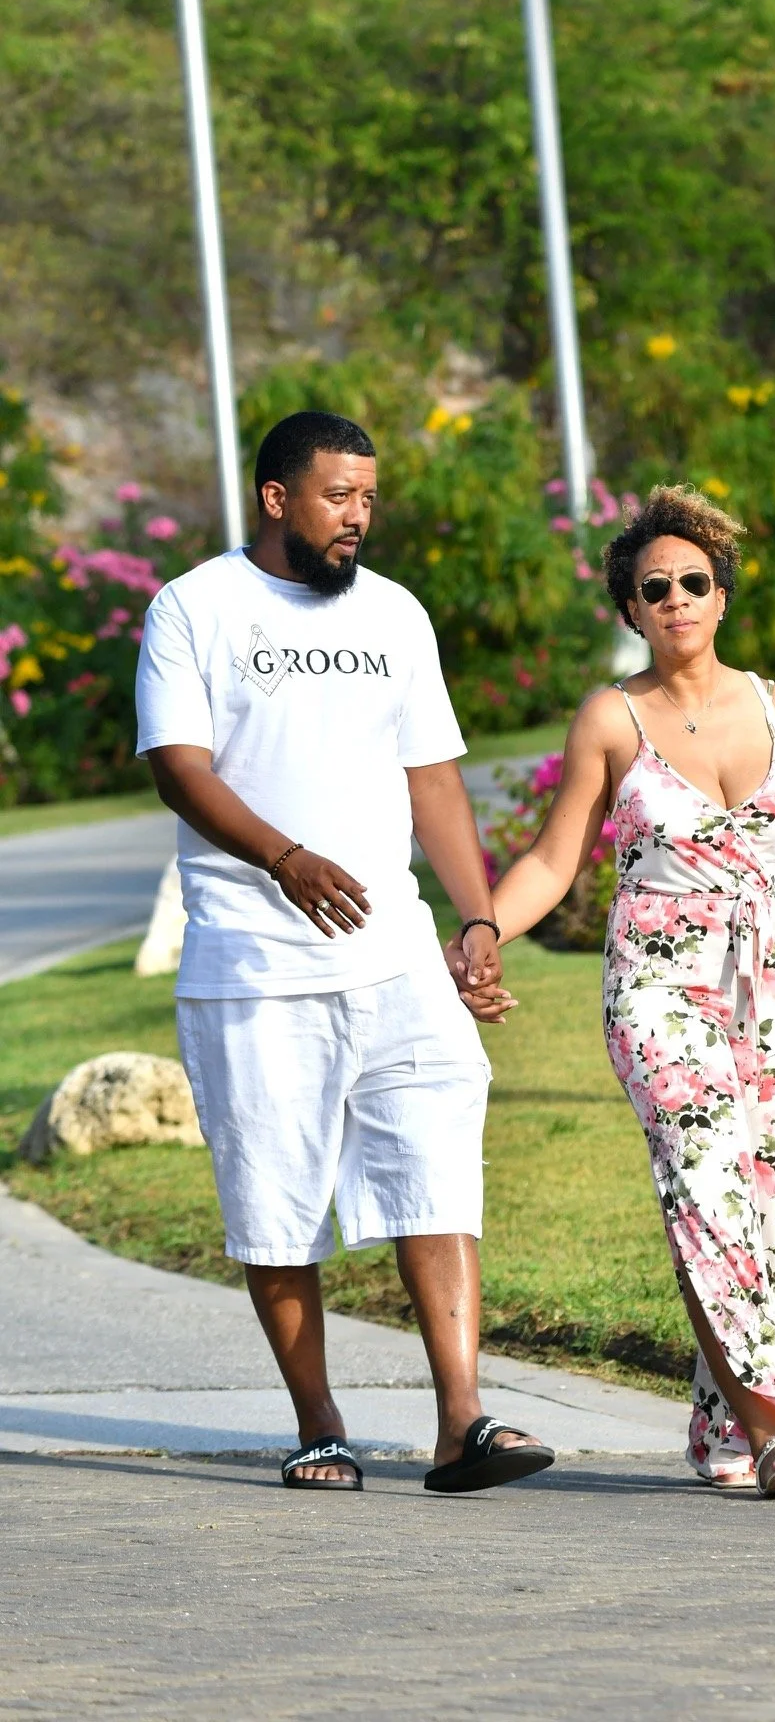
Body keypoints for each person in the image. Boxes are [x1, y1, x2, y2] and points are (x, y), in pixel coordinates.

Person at [134, 409, 553, 1496]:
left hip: (397, 953)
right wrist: (283, 857)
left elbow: (435, 780)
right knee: (274, 1194)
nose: (358, 517)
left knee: (438, 1160)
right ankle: (320, 1424)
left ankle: (462, 1421)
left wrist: (477, 923)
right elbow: (178, 766)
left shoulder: (396, 615)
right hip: (255, 965)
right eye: (338, 498)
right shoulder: (194, 608)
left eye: (368, 498)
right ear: (277, 497)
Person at [466, 485, 775, 1497]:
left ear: (721, 598)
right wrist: (479, 930)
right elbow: (555, 862)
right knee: (704, 1188)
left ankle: (731, 1431)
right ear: (630, 611)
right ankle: (772, 1430)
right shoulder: (612, 718)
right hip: (660, 990)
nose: (677, 599)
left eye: (695, 582)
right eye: (655, 588)